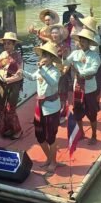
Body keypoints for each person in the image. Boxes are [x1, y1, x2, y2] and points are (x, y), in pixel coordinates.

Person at [24, 40, 62, 172]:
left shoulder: (55, 71)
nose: (43, 57)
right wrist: (21, 72)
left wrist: (41, 69)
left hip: (51, 107)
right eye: (43, 54)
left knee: (51, 136)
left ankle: (54, 161)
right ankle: (49, 158)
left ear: (52, 58)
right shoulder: (41, 69)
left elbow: (52, 83)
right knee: (39, 135)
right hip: (39, 106)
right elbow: (32, 77)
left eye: (46, 55)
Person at [63, 28, 101, 143]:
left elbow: (93, 69)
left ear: (89, 43)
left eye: (84, 41)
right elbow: (65, 63)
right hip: (77, 87)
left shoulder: (95, 56)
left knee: (92, 113)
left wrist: (80, 73)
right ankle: (81, 132)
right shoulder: (75, 53)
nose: (82, 43)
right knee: (78, 112)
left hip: (90, 88)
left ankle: (94, 135)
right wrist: (64, 57)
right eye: (80, 41)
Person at [0, 31, 24, 139]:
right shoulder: (3, 54)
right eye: (5, 43)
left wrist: (8, 79)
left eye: (9, 43)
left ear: (14, 44)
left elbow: (20, 76)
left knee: (10, 108)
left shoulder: (17, 57)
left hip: (13, 85)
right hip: (2, 84)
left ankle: (17, 130)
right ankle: (4, 128)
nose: (6, 46)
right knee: (1, 107)